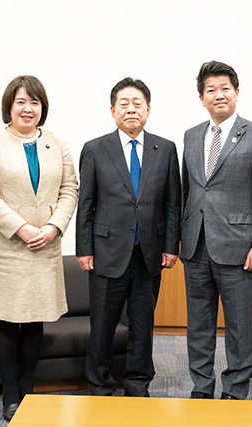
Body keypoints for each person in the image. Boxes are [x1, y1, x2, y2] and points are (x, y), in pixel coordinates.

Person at [0, 75, 78, 421]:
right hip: (7, 247)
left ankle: (28, 387)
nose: (28, 108)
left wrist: (52, 228)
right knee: (5, 319)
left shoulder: (57, 143)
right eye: (21, 102)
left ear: (42, 107)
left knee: (35, 319)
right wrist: (21, 229)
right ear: (9, 106)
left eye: (34, 102)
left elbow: (70, 190)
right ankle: (11, 393)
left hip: (45, 244)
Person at [76, 77, 181, 397]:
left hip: (149, 253)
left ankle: (137, 383)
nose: (131, 109)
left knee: (142, 325)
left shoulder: (165, 149)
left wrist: (170, 245)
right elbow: (86, 204)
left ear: (148, 109)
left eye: (138, 104)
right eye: (124, 104)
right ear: (112, 110)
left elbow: (173, 203)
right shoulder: (95, 149)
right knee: (103, 327)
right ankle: (100, 383)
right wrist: (84, 249)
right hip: (106, 252)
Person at [180, 61, 252, 400]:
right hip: (195, 247)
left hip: (239, 248)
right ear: (201, 98)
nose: (218, 95)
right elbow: (187, 191)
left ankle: (235, 390)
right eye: (211, 90)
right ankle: (201, 388)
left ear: (237, 93)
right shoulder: (192, 136)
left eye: (225, 89)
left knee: (238, 327)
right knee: (199, 325)